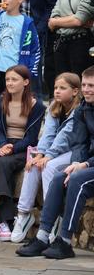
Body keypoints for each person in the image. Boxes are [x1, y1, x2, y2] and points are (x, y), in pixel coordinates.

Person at [17, 66, 94, 259]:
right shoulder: (84, 110)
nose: (86, 89)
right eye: (84, 84)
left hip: (90, 166)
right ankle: (43, 237)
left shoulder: (79, 108)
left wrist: (84, 165)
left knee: (77, 179)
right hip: (89, 162)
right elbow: (80, 144)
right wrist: (77, 162)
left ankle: (64, 241)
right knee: (60, 176)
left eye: (91, 85)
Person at [0, 65, 44, 241]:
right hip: (2, 145)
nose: (10, 83)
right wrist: (3, 144)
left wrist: (13, 147)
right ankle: (3, 222)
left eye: (14, 79)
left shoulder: (37, 106)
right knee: (1, 164)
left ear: (26, 82)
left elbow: (32, 137)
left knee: (1, 163)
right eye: (7, 80)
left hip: (23, 149)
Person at [12, 72, 81, 243]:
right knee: (33, 164)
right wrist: (40, 154)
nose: (57, 91)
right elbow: (48, 135)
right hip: (56, 151)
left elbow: (66, 137)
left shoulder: (79, 110)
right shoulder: (53, 108)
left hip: (74, 151)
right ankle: (23, 214)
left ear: (74, 91)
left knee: (48, 166)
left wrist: (48, 156)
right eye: (56, 87)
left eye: (62, 88)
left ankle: (51, 218)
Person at [47, 0, 94, 77]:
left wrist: (60, 21)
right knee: (63, 86)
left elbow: (79, 19)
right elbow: (51, 22)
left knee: (80, 85)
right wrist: (72, 20)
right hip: (61, 45)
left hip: (82, 45)